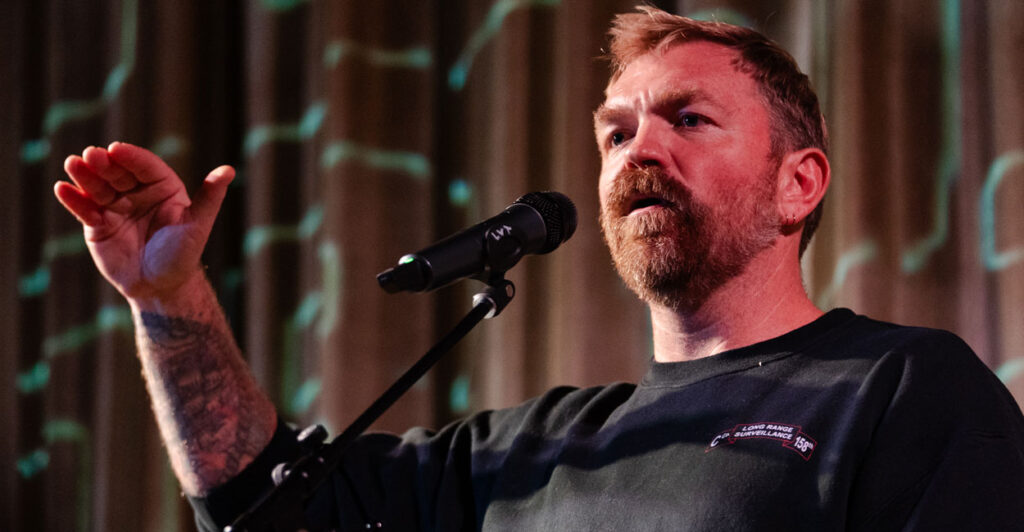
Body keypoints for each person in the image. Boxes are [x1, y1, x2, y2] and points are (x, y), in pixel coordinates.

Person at [55, 6, 1024, 531]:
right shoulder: (528, 454)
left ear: (797, 183)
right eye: (615, 132)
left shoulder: (903, 392)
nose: (638, 149)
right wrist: (167, 295)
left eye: (687, 118)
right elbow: (261, 508)